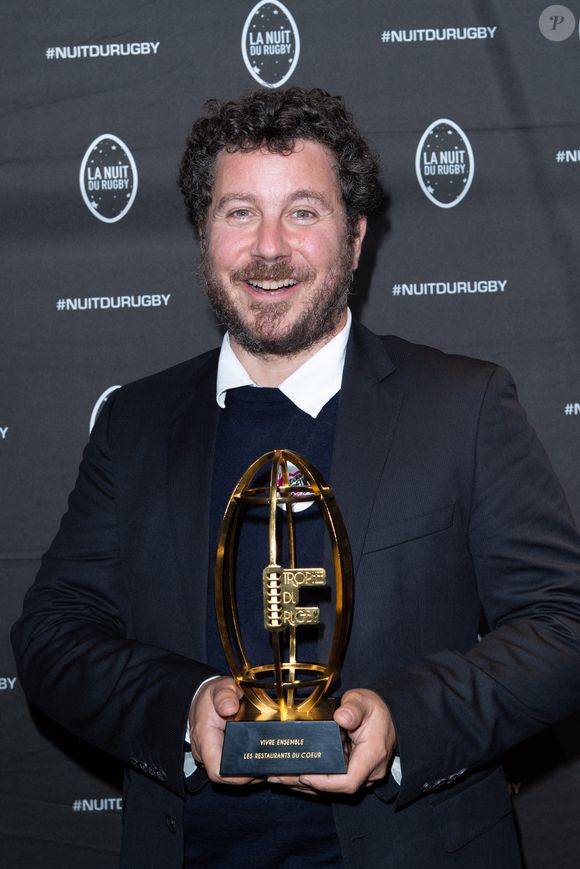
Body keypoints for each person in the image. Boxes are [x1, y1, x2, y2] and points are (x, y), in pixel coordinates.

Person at [12, 87, 580, 868]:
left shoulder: (464, 406)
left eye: (303, 212)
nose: (269, 247)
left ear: (354, 239)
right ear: (204, 234)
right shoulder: (135, 423)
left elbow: (563, 625)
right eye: (239, 212)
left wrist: (400, 724)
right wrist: (182, 709)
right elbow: (52, 635)